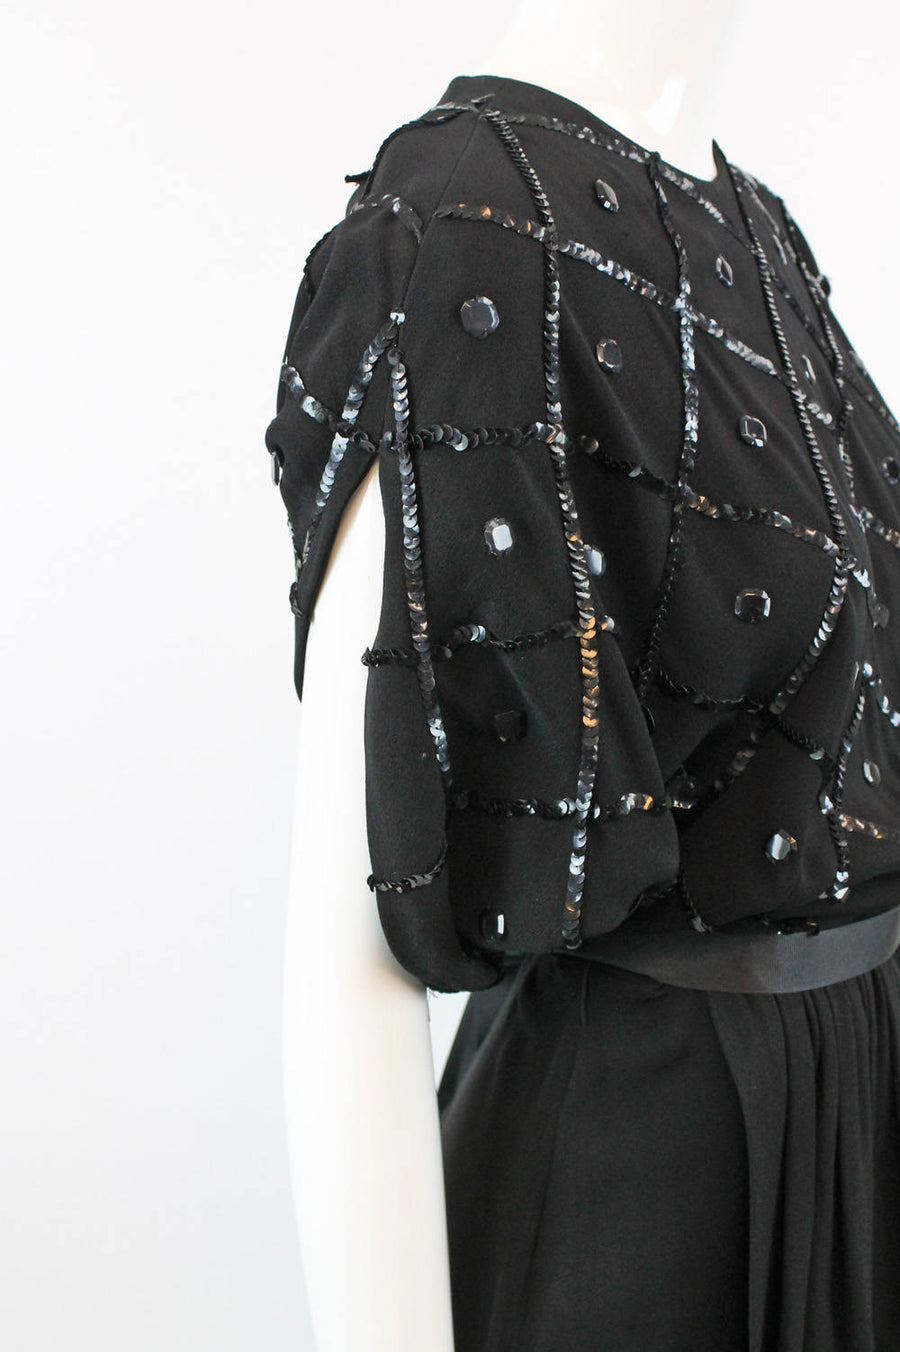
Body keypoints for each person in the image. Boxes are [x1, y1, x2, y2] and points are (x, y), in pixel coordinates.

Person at [270, 5, 900, 1348]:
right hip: (647, 1199)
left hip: (853, 1146)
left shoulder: (762, 234)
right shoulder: (460, 228)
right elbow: (348, 953)